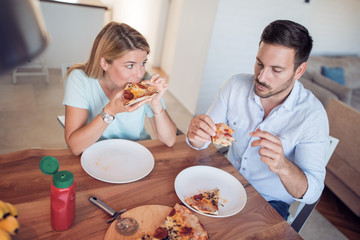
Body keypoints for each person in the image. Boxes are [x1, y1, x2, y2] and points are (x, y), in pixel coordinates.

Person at [186, 20, 330, 220]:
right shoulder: (235, 86)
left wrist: (282, 165)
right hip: (226, 182)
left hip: (270, 203)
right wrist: (195, 135)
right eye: (260, 64)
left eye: (276, 70)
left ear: (299, 71)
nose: (261, 77)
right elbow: (201, 141)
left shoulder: (313, 116)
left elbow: (311, 192)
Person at [63, 22, 177, 156]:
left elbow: (169, 140)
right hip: (95, 155)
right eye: (130, 66)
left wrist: (156, 105)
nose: (139, 74)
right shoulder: (80, 80)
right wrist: (110, 112)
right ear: (104, 63)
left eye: (143, 63)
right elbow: (76, 147)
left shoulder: (145, 81)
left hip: (134, 153)